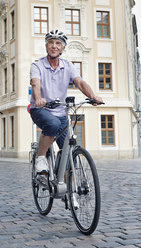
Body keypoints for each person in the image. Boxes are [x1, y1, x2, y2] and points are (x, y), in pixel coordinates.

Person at [29, 30, 103, 174]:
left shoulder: (67, 65)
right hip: (40, 109)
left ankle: (71, 193)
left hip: (61, 112)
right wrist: (38, 98)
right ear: (46, 46)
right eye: (51, 42)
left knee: (69, 153)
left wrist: (93, 96)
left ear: (63, 48)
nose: (54, 46)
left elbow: (80, 82)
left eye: (58, 43)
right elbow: (35, 84)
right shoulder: (37, 66)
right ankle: (41, 157)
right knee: (53, 124)